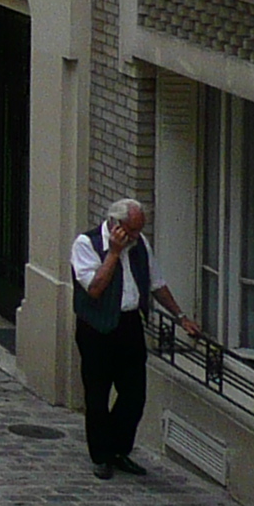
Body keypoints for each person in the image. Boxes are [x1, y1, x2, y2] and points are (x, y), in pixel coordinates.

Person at [68, 197, 188, 479]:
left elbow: (156, 283)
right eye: (131, 231)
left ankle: (120, 448)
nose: (136, 237)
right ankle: (101, 455)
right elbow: (94, 288)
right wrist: (113, 253)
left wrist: (180, 316)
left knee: (134, 395)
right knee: (97, 394)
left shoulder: (140, 246)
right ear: (115, 225)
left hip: (130, 325)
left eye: (138, 231)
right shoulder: (86, 245)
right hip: (96, 328)